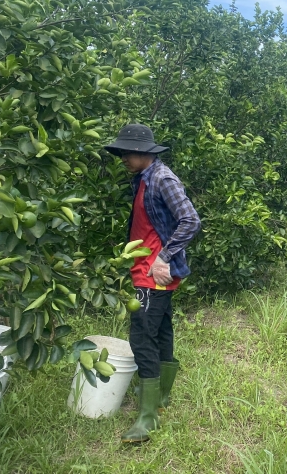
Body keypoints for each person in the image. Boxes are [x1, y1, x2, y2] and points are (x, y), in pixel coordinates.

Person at [104, 123, 201, 443]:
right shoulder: (143, 178)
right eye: (122, 153)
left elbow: (191, 220)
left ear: (144, 152)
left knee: (142, 337)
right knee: (161, 330)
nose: (123, 158)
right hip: (145, 270)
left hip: (152, 273)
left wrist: (164, 257)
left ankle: (147, 418)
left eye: (127, 152)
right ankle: (160, 397)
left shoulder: (162, 179)